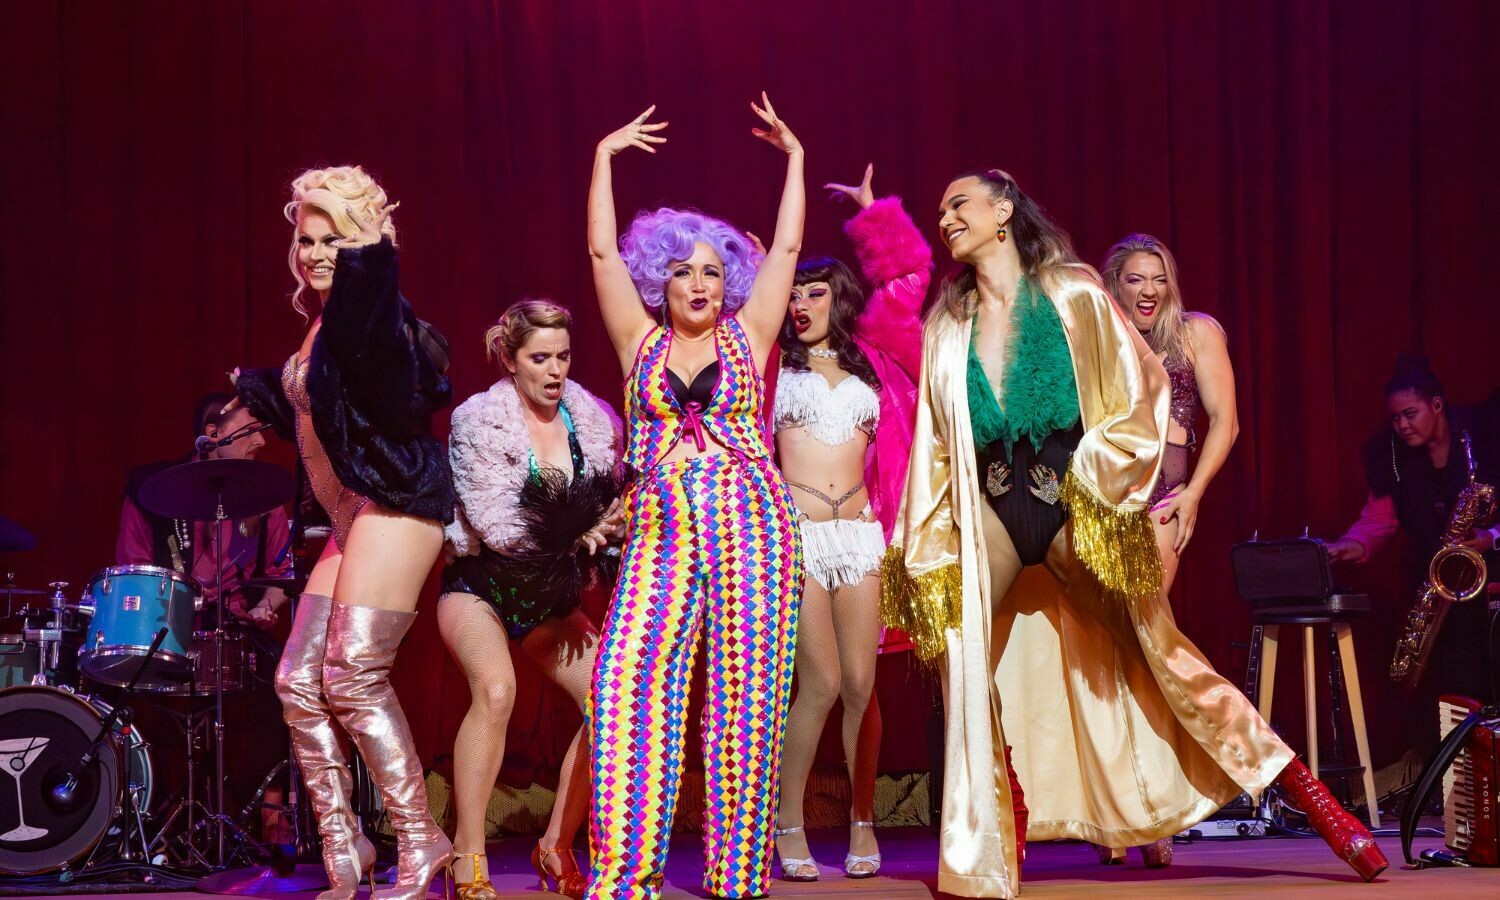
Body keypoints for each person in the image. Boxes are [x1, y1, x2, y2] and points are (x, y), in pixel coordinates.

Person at [882, 169, 1386, 898]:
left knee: (1163, 654)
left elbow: (1142, 392)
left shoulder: (1074, 293)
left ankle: (1313, 798)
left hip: (1072, 504)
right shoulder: (948, 321)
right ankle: (996, 834)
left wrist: (1097, 480)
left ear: (1002, 211)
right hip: (992, 508)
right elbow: (934, 438)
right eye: (939, 209)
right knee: (962, 658)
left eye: (957, 203)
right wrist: (924, 534)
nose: (944, 217)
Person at [583, 95, 805, 899]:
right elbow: (603, 257)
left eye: (715, 270)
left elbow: (787, 245)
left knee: (747, 700)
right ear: (662, 278)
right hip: (659, 527)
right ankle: (624, 873)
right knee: (627, 684)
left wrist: (796, 159)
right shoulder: (637, 342)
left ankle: (738, 874)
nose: (701, 282)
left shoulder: (751, 335)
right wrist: (605, 157)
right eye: (684, 269)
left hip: (754, 522)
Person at [232, 165, 455, 900]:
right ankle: (345, 841)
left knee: (353, 676)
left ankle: (422, 840)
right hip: (352, 511)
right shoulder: (324, 320)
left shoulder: (371, 308)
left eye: (336, 238)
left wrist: (368, 262)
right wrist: (256, 391)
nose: (316, 252)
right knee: (297, 680)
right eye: (306, 238)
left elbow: (383, 360)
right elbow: (323, 394)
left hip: (397, 498)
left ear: (364, 245)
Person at [439, 299, 624, 899]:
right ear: (510, 360)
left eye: (563, 356)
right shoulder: (478, 421)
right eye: (539, 358)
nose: (554, 371)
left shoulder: (592, 422)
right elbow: (496, 525)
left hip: (549, 596)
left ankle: (555, 844)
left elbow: (612, 508)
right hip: (481, 585)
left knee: (615, 704)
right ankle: (466, 857)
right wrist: (579, 535)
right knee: (497, 690)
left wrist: (610, 529)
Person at [768, 164, 923, 881]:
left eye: (815, 290)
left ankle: (863, 818)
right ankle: (787, 822)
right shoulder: (769, 368)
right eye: (793, 293)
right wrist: (769, 271)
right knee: (821, 684)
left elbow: (909, 279)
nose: (801, 303)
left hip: (862, 535)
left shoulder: (876, 360)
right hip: (796, 536)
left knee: (864, 684)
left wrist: (873, 214)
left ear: (841, 297)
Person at [1093, 232, 1253, 866]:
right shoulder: (1100, 337)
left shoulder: (1195, 333)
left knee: (1146, 642)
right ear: (1115, 285)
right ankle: (1118, 811)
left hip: (1164, 497)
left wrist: (1194, 498)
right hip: (1104, 497)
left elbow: (1227, 421)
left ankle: (1153, 811)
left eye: (1158, 277)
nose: (1149, 289)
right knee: (1107, 651)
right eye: (1135, 279)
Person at [1327, 355, 1499, 703]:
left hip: (1491, 584)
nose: (1402, 425)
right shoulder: (1390, 454)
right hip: (1439, 588)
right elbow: (1378, 521)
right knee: (1452, 683)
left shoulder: (1482, 435)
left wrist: (1491, 538)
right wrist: (1342, 546)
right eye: (1395, 418)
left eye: (1410, 414)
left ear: (1436, 405)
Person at [115, 391, 290, 629]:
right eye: (251, 430)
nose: (261, 441)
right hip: (166, 630)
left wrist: (265, 605)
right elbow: (135, 568)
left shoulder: (265, 498)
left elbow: (282, 574)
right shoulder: (151, 489)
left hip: (237, 633)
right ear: (213, 434)